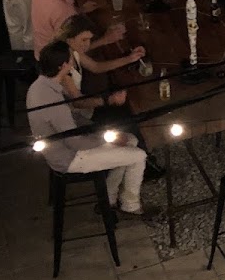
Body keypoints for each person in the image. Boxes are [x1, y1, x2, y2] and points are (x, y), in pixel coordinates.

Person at [26, 40, 149, 216]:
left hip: (66, 147)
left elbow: (73, 121)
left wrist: (104, 134)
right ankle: (131, 206)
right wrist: (105, 139)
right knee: (139, 155)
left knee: (131, 140)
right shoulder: (51, 100)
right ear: (63, 66)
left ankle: (109, 198)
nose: (73, 61)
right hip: (69, 157)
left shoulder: (40, 85)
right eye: (70, 58)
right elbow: (75, 142)